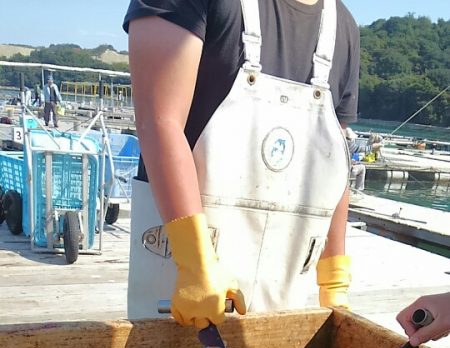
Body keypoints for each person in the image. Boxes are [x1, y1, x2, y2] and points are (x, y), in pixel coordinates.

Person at [124, 0, 360, 326]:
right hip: (181, 276)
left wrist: (334, 280)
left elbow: (333, 164)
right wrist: (194, 261)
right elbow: (158, 120)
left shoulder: (342, 28)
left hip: (285, 289)